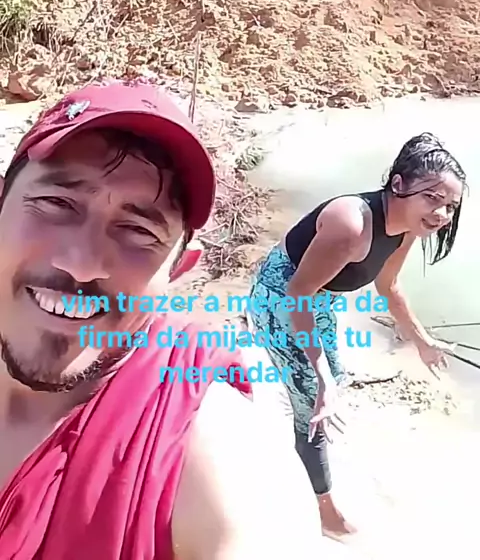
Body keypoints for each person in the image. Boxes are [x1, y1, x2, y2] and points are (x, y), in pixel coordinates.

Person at [0, 77, 327, 559]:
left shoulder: (220, 453)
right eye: (56, 203)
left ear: (178, 269)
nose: (82, 263)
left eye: (137, 231)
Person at [248, 132, 466, 539]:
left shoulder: (407, 227)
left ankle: (301, 427)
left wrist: (422, 340)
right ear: (398, 184)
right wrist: (321, 381)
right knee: (315, 399)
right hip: (280, 299)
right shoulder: (351, 224)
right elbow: (296, 294)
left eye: (450, 205)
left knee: (332, 380)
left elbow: (389, 286)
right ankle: (325, 512)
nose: (441, 213)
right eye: (432, 198)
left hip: (318, 299)